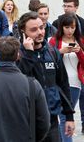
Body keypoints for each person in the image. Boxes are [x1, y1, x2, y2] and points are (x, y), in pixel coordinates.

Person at [18, 11, 75, 141]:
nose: (40, 32)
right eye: (34, 30)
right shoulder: (18, 54)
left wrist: (69, 116)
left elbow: (63, 84)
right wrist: (29, 54)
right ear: (23, 31)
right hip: (26, 121)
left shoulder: (51, 52)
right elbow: (19, 80)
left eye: (41, 28)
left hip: (51, 120)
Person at [48, 13, 84, 142]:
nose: (70, 30)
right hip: (57, 82)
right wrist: (60, 52)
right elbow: (49, 61)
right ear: (62, 27)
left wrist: (79, 51)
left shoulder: (80, 40)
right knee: (59, 118)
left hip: (74, 83)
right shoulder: (53, 41)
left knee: (65, 117)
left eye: (73, 27)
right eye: (67, 27)